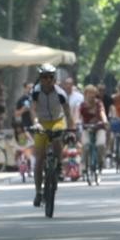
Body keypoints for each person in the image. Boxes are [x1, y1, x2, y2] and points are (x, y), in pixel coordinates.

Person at [30, 64, 75, 206]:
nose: (48, 80)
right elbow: (33, 109)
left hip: (57, 120)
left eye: (50, 77)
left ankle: (59, 165)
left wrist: (71, 130)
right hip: (42, 122)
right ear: (40, 79)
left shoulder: (61, 93)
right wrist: (36, 122)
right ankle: (38, 192)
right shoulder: (36, 92)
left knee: (56, 137)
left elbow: (68, 113)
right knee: (39, 158)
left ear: (54, 78)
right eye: (44, 77)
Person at [79, 85, 109, 176]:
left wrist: (104, 121)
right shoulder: (82, 105)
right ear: (85, 94)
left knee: (100, 144)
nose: (91, 95)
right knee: (85, 145)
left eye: (93, 93)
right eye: (89, 93)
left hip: (99, 127)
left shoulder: (98, 103)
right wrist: (77, 122)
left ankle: (101, 160)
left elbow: (102, 112)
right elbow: (78, 116)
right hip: (87, 128)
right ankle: (84, 165)